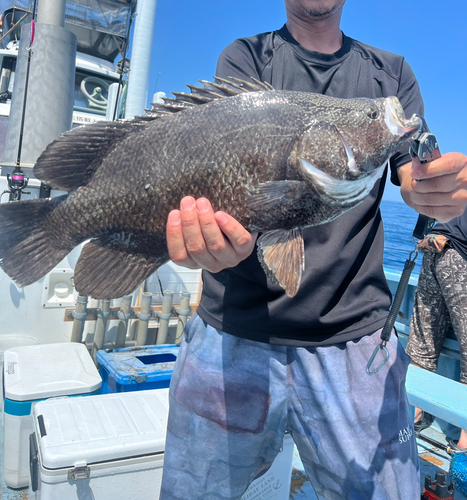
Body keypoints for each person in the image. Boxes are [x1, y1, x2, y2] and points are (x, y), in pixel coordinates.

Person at [160, 1, 467, 499]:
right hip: (232, 329)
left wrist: (433, 188)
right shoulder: (245, 59)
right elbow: (225, 185)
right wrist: (206, 243)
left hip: (356, 337)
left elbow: (413, 173)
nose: (381, 117)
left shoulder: (391, 73)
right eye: (371, 117)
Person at [406, 213, 467, 452]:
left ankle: (414, 414)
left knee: (422, 343)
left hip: (433, 247)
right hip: (461, 253)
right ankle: (464, 440)